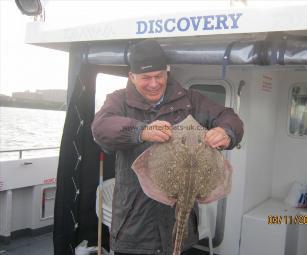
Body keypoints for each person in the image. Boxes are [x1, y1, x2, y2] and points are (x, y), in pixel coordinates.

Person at [91, 39, 244, 255]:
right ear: (132, 77)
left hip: (181, 219)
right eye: (146, 77)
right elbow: (101, 128)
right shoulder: (119, 101)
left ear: (167, 72)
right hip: (135, 229)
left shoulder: (190, 100)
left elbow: (229, 117)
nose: (154, 83)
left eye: (159, 76)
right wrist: (140, 131)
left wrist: (226, 132)